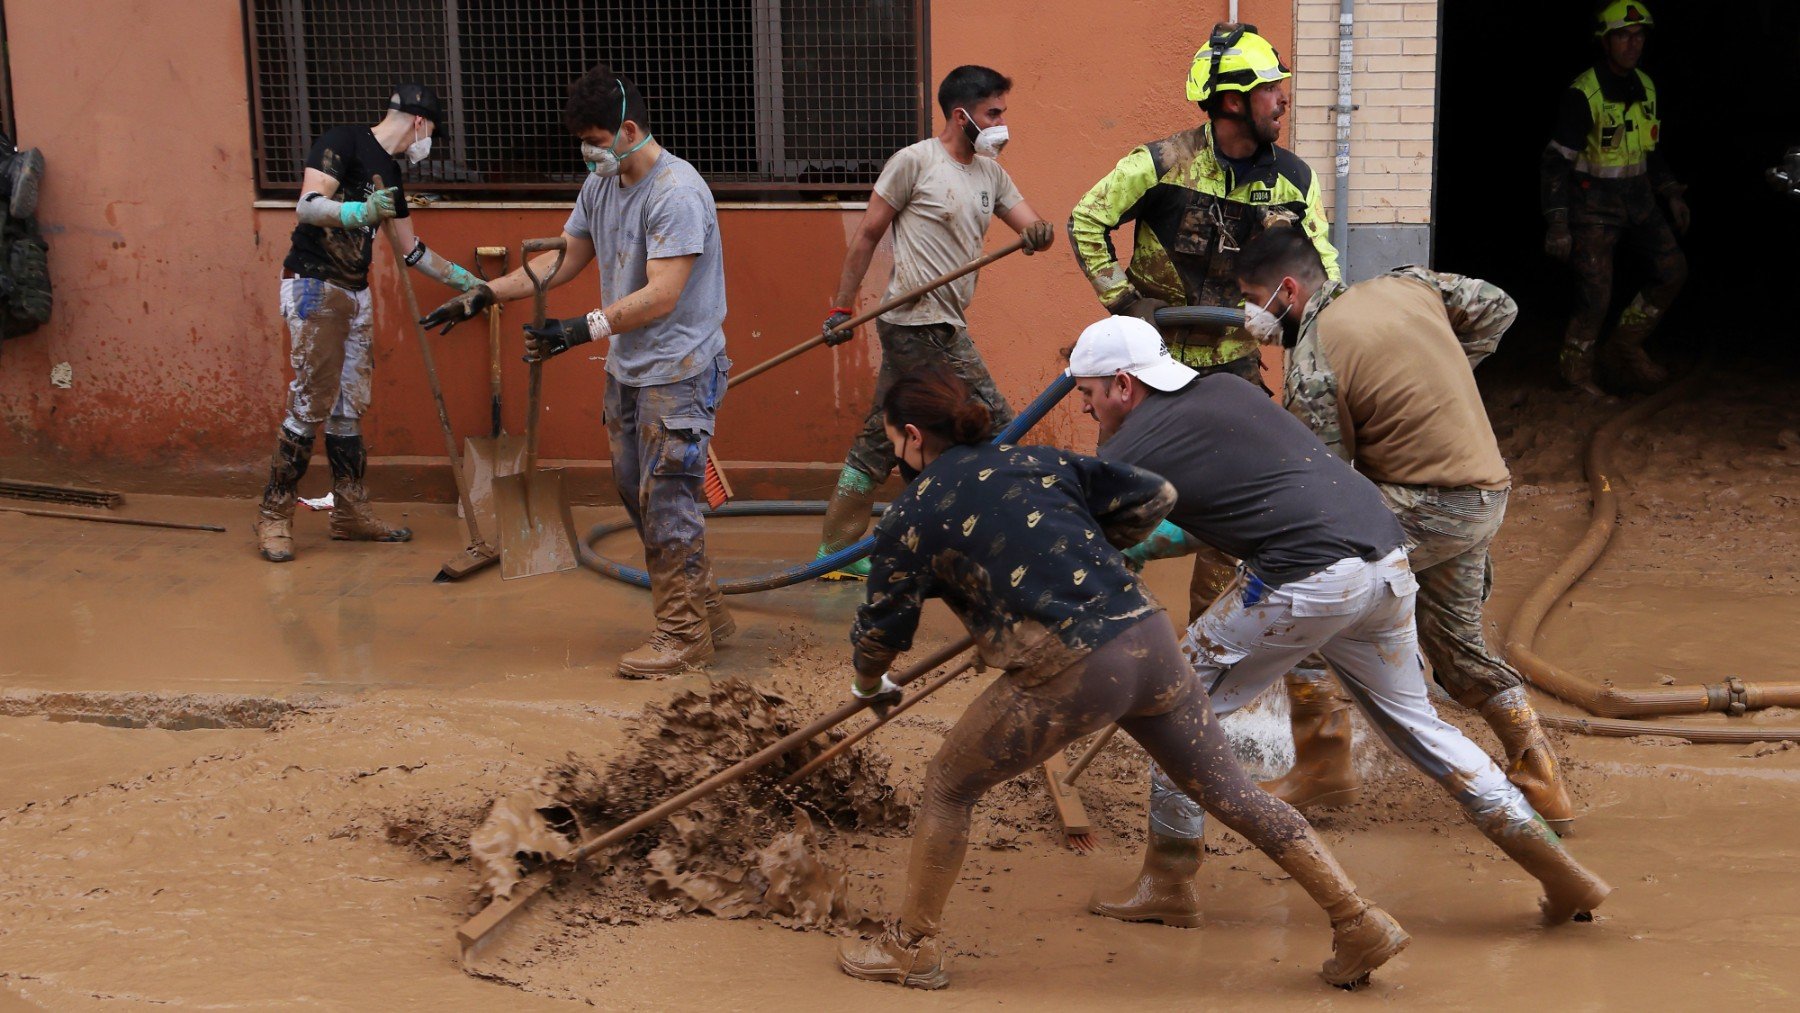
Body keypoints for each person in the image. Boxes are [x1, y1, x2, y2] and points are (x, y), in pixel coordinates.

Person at [836, 366, 1407, 991]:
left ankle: (912, 946)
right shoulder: (1039, 464)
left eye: (893, 442)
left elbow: (881, 634)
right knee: (1233, 793)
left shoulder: (909, 517)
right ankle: (1357, 918)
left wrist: (870, 686)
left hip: (1074, 665)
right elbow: (1154, 496)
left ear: (913, 437)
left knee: (948, 784)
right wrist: (1086, 555)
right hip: (1150, 641)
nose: (895, 455)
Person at [1067, 316, 1610, 932]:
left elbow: (1085, 541)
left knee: (1171, 707)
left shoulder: (1127, 451)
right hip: (1384, 559)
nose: (1088, 410)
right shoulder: (1229, 391)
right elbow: (1229, 507)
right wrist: (1143, 545)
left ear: (1121, 384)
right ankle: (1560, 870)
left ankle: (1168, 881)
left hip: (1306, 575)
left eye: (1087, 395)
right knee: (1422, 728)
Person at [1233, 225, 1576, 832]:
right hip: (1485, 494)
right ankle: (1540, 773)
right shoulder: (1411, 286)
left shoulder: (1314, 360)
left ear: (1287, 289)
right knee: (1455, 645)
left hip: (1423, 504)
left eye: (1253, 298)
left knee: (1301, 583)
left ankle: (1322, 763)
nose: (1249, 317)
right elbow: (1500, 306)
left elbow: (1322, 490)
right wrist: (1443, 368)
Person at [421, 67, 732, 679]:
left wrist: (578, 329)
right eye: (583, 142)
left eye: (594, 140)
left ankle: (682, 636)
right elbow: (563, 259)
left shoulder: (677, 193)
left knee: (668, 499)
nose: (588, 153)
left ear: (628, 130)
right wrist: (485, 293)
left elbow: (665, 292)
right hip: (629, 369)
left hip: (680, 369)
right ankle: (705, 609)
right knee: (634, 492)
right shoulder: (602, 187)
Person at [1069, 21, 1337, 630]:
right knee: (1120, 496)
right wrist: (1124, 301)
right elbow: (1086, 219)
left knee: (1232, 509)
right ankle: (1093, 616)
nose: (1284, 99)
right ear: (1235, 101)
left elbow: (1325, 274)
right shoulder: (1159, 164)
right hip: (1150, 363)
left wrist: (1289, 324)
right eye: (1272, 88)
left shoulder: (1294, 182)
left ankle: (1205, 644)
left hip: (1236, 367)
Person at [810, 65, 1056, 580]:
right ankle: (1019, 541)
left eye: (1002, 112)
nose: (1001, 123)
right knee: (998, 421)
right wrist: (841, 307)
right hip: (915, 320)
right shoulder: (915, 162)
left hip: (945, 320)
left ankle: (834, 555)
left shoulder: (991, 174)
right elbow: (868, 235)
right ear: (961, 114)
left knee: (882, 436)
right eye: (993, 113)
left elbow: (1029, 222)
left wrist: (1039, 233)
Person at [255, 83, 481, 563]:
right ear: (421, 123)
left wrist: (467, 280)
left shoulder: (391, 174)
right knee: (311, 400)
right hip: (314, 283)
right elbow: (308, 205)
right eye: (433, 132)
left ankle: (350, 512)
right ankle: (274, 516)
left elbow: (411, 250)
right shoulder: (345, 140)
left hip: (355, 293)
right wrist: (359, 210)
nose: (429, 142)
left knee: (348, 406)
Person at [1541, 0, 1687, 396]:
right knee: (1595, 294)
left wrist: (1671, 192)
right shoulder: (1584, 92)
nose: (1632, 44)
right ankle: (1576, 377)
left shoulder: (1646, 85)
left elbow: (1650, 149)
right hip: (1594, 206)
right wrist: (1557, 223)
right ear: (1605, 42)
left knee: (1673, 270)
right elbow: (1555, 162)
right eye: (1622, 35)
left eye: (1638, 35)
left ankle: (1624, 347)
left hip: (1639, 200)